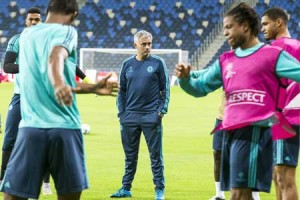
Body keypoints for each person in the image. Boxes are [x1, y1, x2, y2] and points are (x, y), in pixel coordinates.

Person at [175, 2, 300, 199]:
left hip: (254, 133)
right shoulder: (226, 60)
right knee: (240, 194)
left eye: (228, 27)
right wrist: (185, 79)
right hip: (229, 133)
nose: (225, 33)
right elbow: (200, 88)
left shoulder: (272, 55)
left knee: (239, 195)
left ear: (245, 26)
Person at [0, 0, 118, 199]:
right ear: (72, 14)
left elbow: (50, 75)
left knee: (13, 195)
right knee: (69, 195)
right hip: (65, 128)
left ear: (47, 12)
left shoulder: (25, 36)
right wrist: (58, 83)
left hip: (31, 128)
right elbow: (56, 57)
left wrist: (91, 87)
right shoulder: (67, 31)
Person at [110, 30, 170, 200]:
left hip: (151, 116)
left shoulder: (158, 63)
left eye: (150, 43)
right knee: (130, 157)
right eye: (144, 44)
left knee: (156, 156)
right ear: (135, 45)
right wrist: (121, 113)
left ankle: (159, 190)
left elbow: (165, 90)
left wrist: (160, 112)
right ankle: (126, 188)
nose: (147, 47)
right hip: (129, 117)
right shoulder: (127, 64)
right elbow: (121, 91)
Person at [261, 7, 300, 200]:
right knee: (279, 175)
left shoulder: (275, 49)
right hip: (291, 115)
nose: (263, 29)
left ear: (279, 22)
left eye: (266, 24)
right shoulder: (298, 46)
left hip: (285, 118)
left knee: (284, 176)